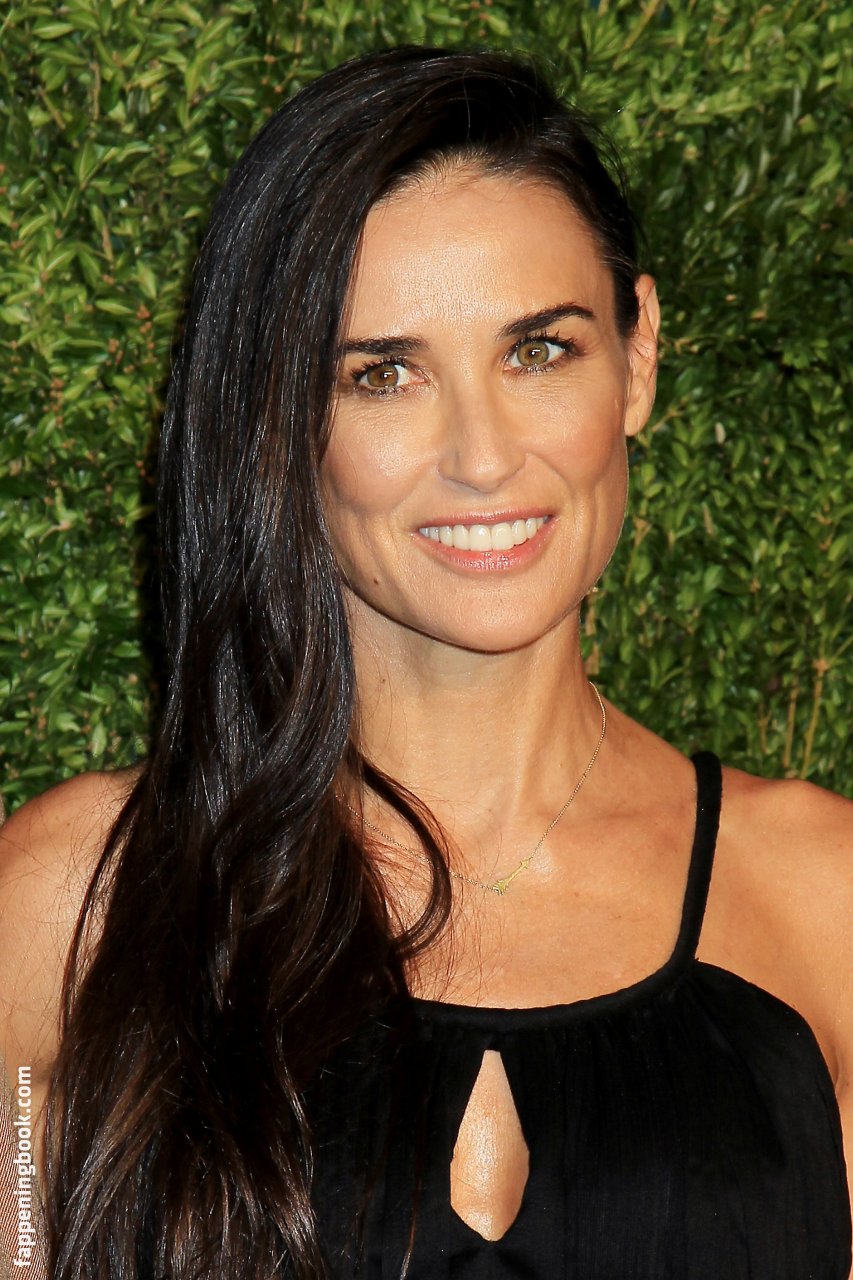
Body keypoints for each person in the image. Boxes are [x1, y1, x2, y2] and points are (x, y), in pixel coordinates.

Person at [0, 43, 850, 1280]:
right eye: (383, 374)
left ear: (638, 358)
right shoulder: (70, 906)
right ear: (281, 418)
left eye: (538, 350)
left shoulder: (823, 900)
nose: (482, 456)